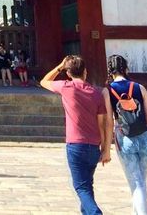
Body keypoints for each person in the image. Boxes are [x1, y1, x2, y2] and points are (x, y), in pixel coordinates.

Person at [41, 55, 111, 215]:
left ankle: (95, 213)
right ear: (85, 72)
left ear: (68, 74)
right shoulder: (96, 93)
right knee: (87, 185)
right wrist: (106, 148)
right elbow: (102, 124)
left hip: (75, 145)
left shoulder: (66, 87)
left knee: (81, 187)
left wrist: (60, 65)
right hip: (94, 146)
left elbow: (44, 81)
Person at [106, 55, 147, 215]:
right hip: (145, 139)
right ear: (126, 68)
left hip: (125, 140)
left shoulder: (108, 91)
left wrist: (108, 145)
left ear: (110, 71)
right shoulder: (139, 88)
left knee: (137, 185)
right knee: (141, 183)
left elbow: (110, 121)